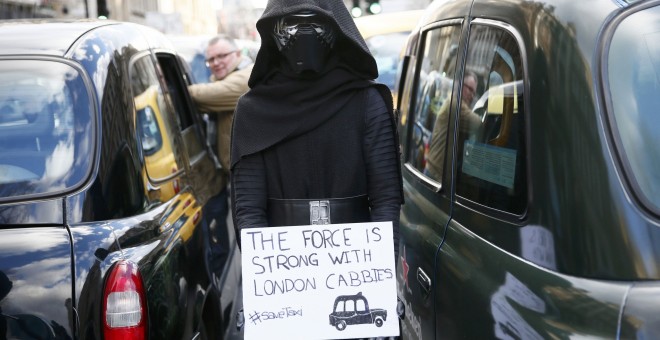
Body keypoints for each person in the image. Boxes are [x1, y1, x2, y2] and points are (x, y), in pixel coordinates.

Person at [229, 0, 404, 258]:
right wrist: (265, 271)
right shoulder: (252, 111)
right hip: (282, 266)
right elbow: (249, 210)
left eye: (316, 22)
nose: (304, 33)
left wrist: (381, 268)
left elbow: (386, 198)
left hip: (358, 263)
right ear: (273, 31)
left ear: (336, 29)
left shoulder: (368, 102)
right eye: (291, 24)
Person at [187, 34, 253, 282]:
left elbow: (207, 96)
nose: (216, 62)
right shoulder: (223, 79)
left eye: (222, 56)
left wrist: (174, 89)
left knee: (250, 236)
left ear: (237, 54)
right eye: (210, 59)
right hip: (234, 173)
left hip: (251, 175)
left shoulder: (246, 77)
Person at [425, 71, 481, 181]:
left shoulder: (455, 103)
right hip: (436, 175)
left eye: (474, 92)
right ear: (460, 85)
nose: (472, 95)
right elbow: (478, 123)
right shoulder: (455, 104)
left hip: (435, 172)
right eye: (469, 89)